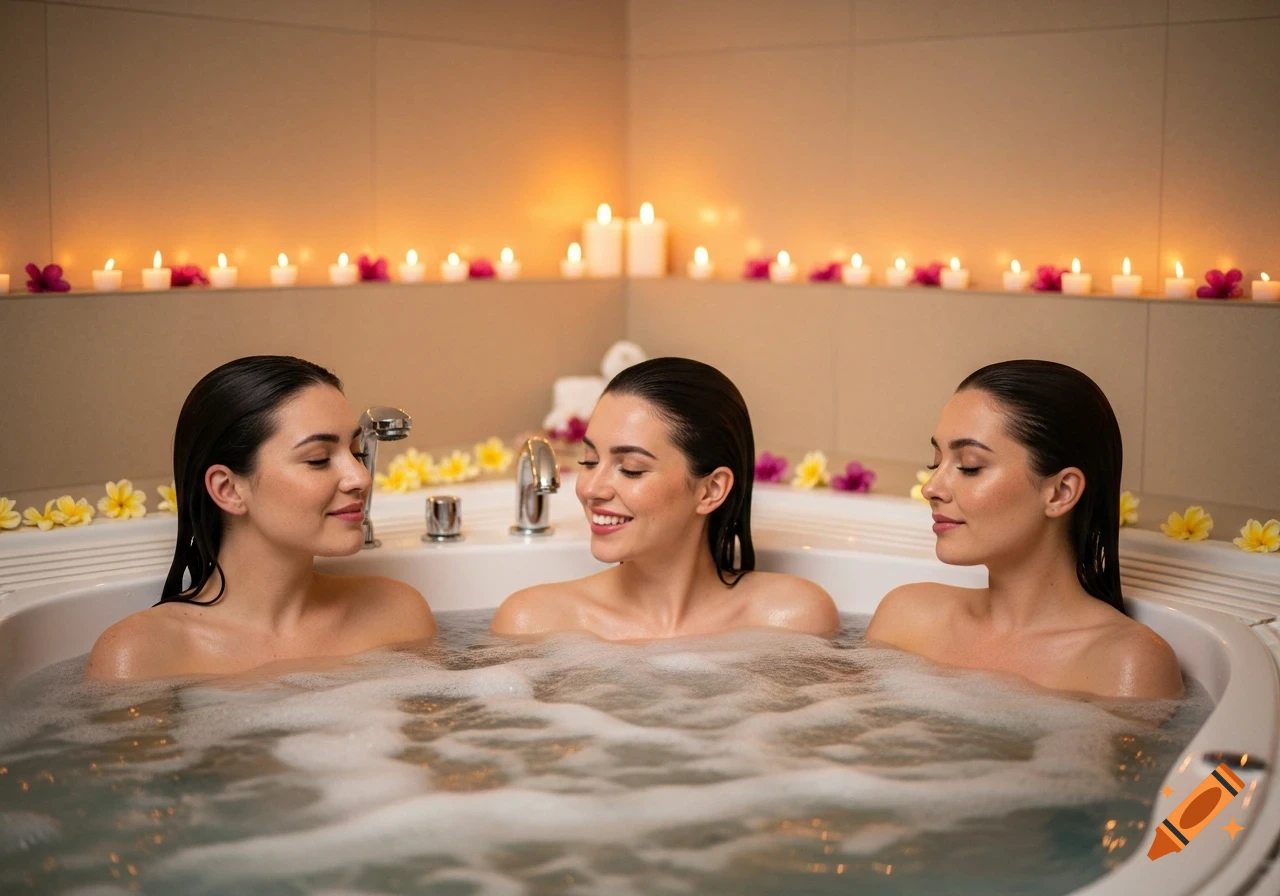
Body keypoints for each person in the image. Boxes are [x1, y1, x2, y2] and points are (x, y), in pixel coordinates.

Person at [86, 355, 435, 680]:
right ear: (228, 489)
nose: (361, 477)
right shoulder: (140, 657)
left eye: (356, 453)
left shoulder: (397, 615)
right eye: (317, 459)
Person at [865, 360, 1183, 699]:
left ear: (1061, 492)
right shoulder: (907, 618)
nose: (931, 487)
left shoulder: (1124, 665)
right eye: (936, 461)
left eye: (969, 466)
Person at [492, 357, 838, 639]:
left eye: (630, 468)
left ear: (711, 490)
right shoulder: (534, 624)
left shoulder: (791, 619)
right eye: (590, 461)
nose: (590, 489)